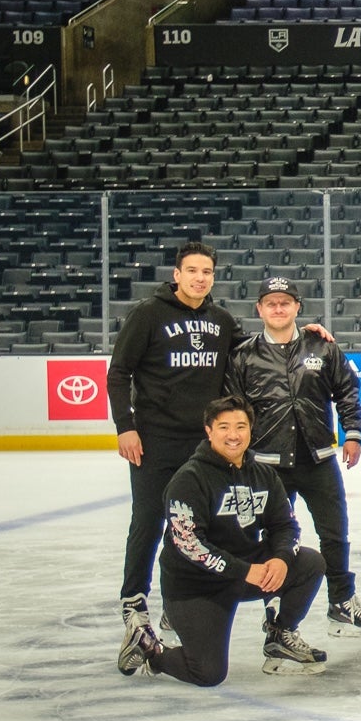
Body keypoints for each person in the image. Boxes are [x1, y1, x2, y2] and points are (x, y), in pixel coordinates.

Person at [117, 395, 330, 683]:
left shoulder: (264, 475)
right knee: (207, 673)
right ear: (209, 431)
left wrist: (280, 559)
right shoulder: (189, 480)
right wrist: (246, 571)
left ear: (251, 430)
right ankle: (149, 650)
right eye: (224, 427)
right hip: (196, 585)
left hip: (243, 574)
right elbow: (191, 546)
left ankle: (281, 635)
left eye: (241, 426)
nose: (233, 435)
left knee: (309, 563)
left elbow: (286, 526)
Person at [221, 275, 361, 636]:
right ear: (259, 308)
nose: (278, 308)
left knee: (335, 534)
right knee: (274, 539)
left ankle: (342, 601)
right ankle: (273, 602)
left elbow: (347, 392)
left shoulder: (321, 347)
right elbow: (232, 411)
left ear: (297, 307)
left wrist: (352, 434)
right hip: (266, 465)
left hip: (317, 458)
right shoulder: (243, 355)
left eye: (285, 302)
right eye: (270, 303)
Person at [110, 241, 248, 630]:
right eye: (192, 271)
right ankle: (134, 599)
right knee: (151, 519)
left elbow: (253, 354)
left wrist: (301, 333)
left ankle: (182, 600)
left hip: (204, 444)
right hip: (155, 440)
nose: (200, 278)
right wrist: (126, 426)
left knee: (197, 526)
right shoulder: (148, 314)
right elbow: (119, 372)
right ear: (177, 275)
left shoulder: (221, 319)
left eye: (207, 272)